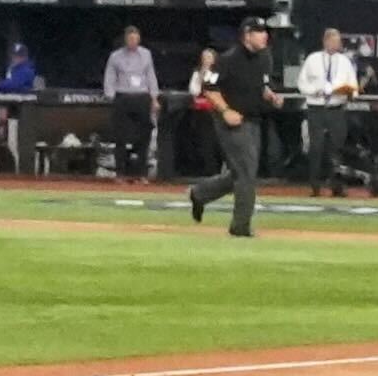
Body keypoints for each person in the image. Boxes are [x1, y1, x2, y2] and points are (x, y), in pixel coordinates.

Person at [185, 18, 275, 237]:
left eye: (265, 31)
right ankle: (240, 226)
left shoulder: (265, 57)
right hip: (231, 121)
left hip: (254, 120)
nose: (265, 35)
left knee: (239, 172)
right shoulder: (228, 59)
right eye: (259, 32)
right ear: (247, 35)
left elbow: (261, 85)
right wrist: (225, 111)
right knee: (246, 173)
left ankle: (200, 193)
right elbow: (209, 87)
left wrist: (270, 95)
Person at [295, 27, 363, 193]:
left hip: (336, 108)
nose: (337, 44)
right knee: (315, 147)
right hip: (316, 108)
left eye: (339, 41)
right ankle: (315, 186)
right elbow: (301, 83)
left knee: (337, 147)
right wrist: (314, 91)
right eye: (334, 40)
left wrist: (351, 93)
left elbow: (353, 85)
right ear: (326, 41)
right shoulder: (312, 59)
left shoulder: (345, 61)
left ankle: (337, 186)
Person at [102, 23, 163, 180]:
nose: (133, 42)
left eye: (136, 39)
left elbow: (151, 76)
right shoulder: (115, 56)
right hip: (123, 96)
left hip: (142, 97)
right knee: (120, 136)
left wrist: (154, 98)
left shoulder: (146, 54)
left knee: (144, 136)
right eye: (130, 39)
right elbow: (109, 77)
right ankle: (120, 173)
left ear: (139, 39)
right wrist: (111, 95)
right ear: (126, 39)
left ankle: (141, 173)